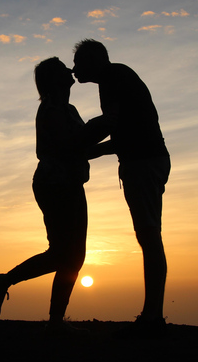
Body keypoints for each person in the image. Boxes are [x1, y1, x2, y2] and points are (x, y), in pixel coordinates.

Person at [0, 57, 98, 334]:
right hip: (56, 185)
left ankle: (55, 320)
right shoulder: (51, 109)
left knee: (72, 257)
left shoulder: (66, 109)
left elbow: (82, 148)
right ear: (54, 79)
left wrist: (111, 145)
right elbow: (72, 145)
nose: (67, 69)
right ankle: (7, 283)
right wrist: (104, 126)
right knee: (64, 254)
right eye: (61, 67)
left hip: (68, 183)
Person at [72, 39, 171, 337]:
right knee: (149, 234)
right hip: (148, 159)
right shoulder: (117, 77)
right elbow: (128, 130)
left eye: (79, 63)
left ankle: (152, 316)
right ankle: (153, 313)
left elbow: (116, 126)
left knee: (149, 235)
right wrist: (95, 150)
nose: (75, 69)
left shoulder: (113, 77)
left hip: (143, 162)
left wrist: (77, 144)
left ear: (95, 61)